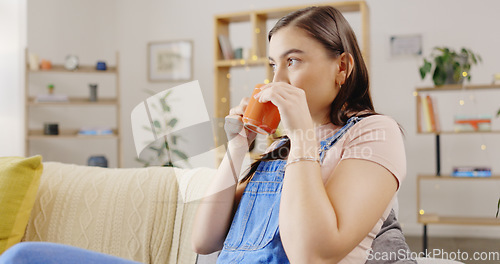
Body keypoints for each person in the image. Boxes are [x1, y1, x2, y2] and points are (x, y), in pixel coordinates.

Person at [191, 6, 411, 264]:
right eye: (274, 65)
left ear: (341, 67)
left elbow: (312, 256)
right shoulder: (281, 147)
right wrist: (238, 145)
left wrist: (303, 138)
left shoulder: (375, 132)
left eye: (292, 61)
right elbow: (204, 241)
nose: (277, 80)